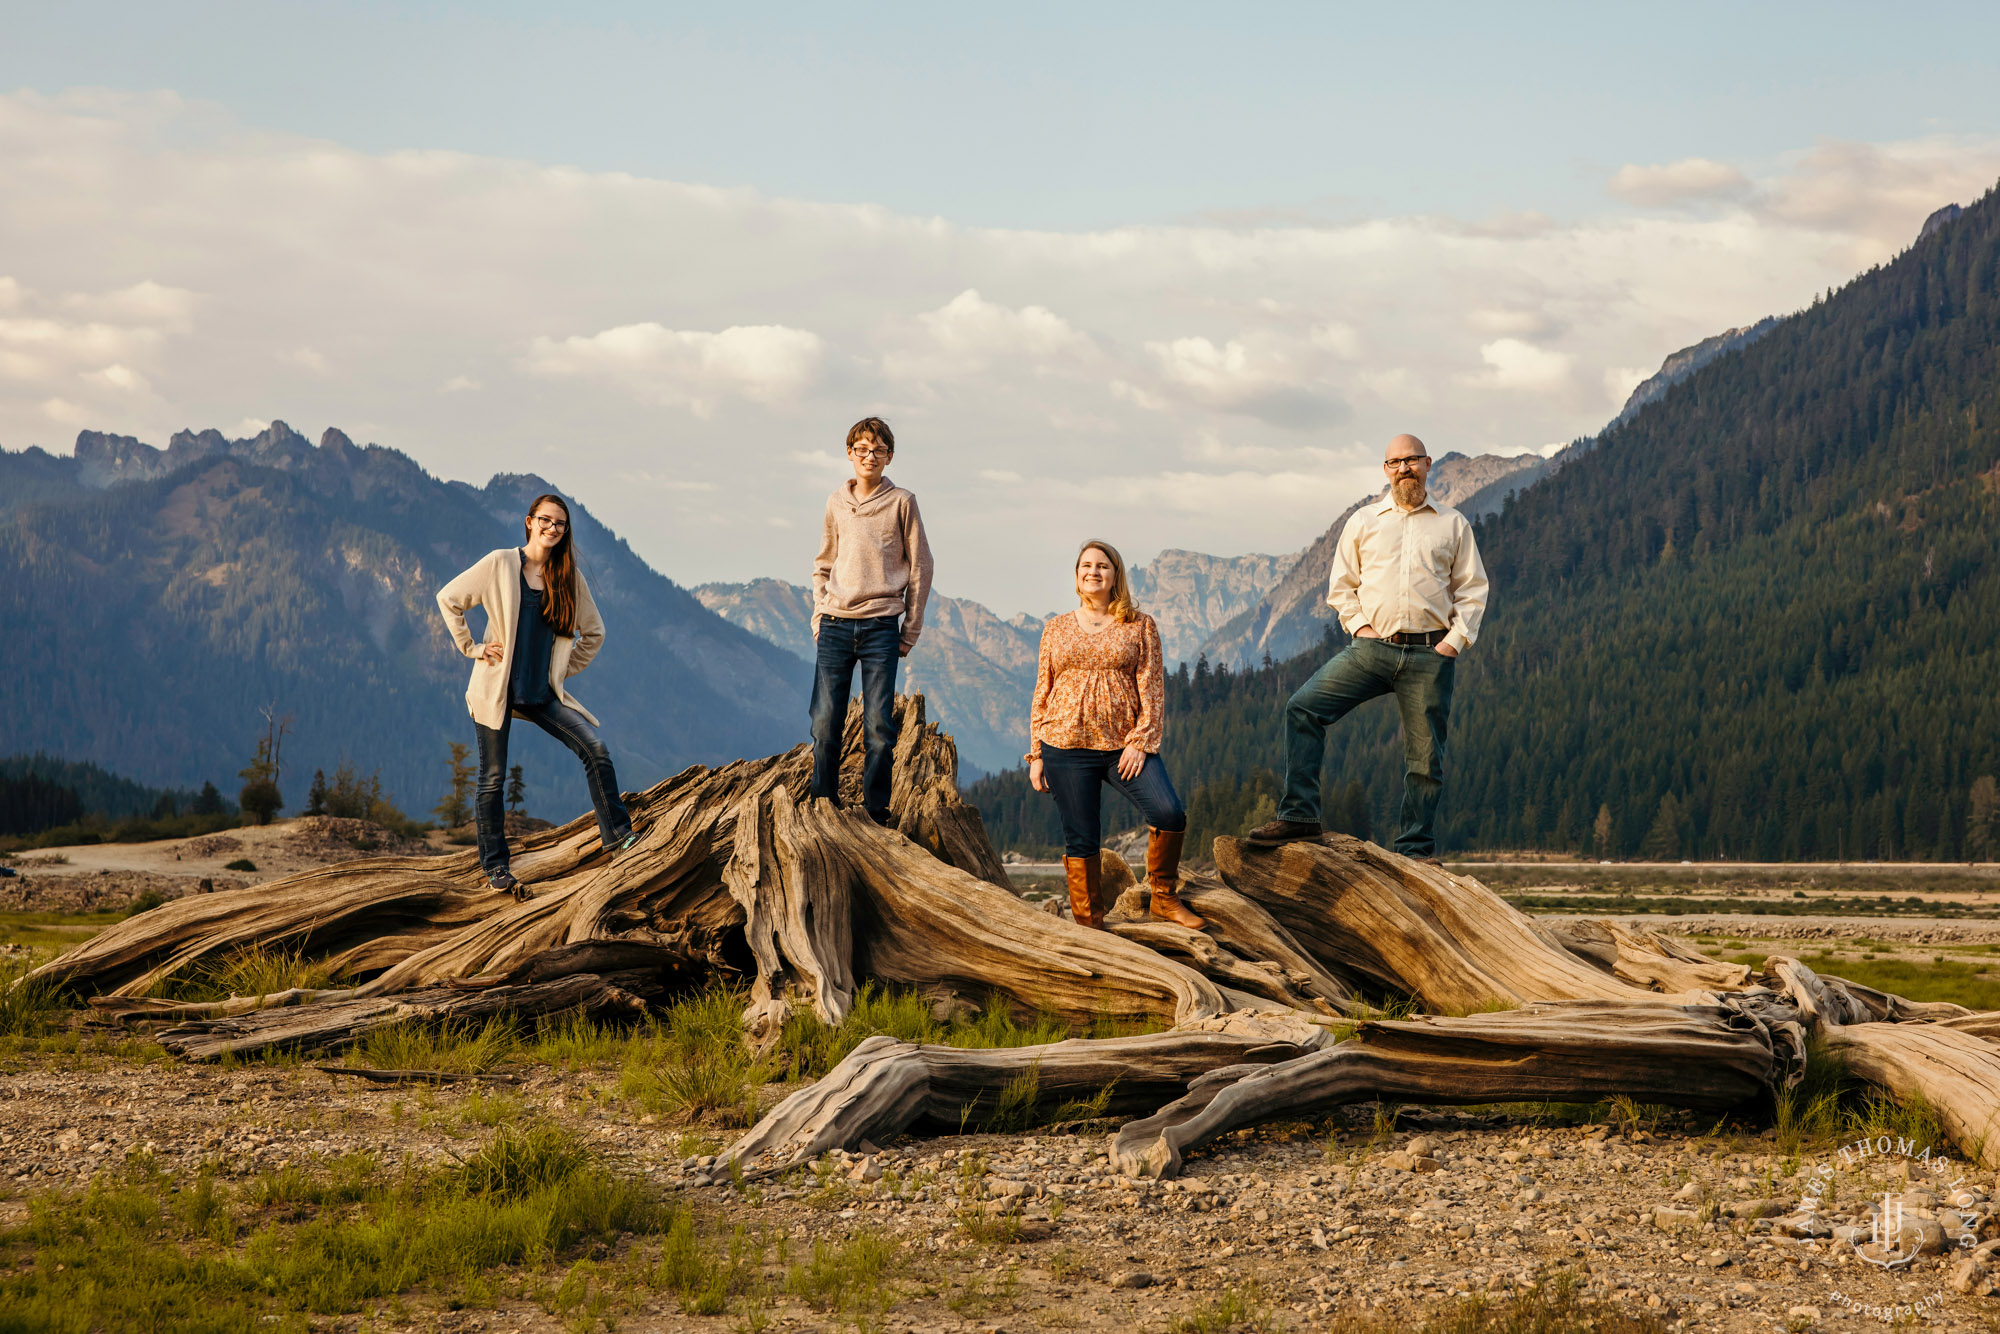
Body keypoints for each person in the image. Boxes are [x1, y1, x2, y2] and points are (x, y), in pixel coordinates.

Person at [1248, 434, 1489, 865]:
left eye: (1411, 460)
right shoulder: (1364, 521)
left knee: (1425, 759)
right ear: (1385, 470)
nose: (1404, 469)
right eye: (1394, 462)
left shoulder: (1453, 524)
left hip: (1430, 655)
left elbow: (1472, 589)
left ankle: (1415, 852)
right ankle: (1300, 815)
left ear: (1427, 464)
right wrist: (1360, 627)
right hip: (1372, 649)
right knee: (1303, 709)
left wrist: (1453, 643)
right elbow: (1341, 586)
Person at [437, 493, 638, 897]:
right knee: (492, 778)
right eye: (545, 520)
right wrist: (472, 647)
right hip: (495, 689)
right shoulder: (500, 563)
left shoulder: (567, 578)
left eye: (560, 524)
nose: (552, 528)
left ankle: (618, 837)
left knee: (595, 750)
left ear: (565, 532)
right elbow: (449, 599)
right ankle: (496, 868)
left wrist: (560, 672)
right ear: (529, 522)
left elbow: (594, 633)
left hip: (541, 693)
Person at [1027, 540, 1202, 931]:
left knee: (1169, 812)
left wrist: (1140, 741)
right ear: (1076, 576)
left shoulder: (1139, 625)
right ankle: (1091, 927)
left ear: (1115, 575)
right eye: (1086, 565)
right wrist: (1036, 753)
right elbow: (1043, 690)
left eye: (1102, 566)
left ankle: (1164, 899)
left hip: (1123, 746)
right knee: (1081, 839)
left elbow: (1152, 688)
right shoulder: (1055, 628)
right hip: (1064, 747)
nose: (1094, 571)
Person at [809, 417, 934, 824]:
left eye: (878, 450)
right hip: (835, 624)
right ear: (850, 453)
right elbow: (823, 563)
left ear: (889, 456)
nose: (869, 456)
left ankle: (876, 811)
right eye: (861, 449)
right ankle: (822, 805)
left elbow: (921, 567)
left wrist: (909, 630)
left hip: (882, 625)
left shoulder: (902, 502)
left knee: (879, 726)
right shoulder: (835, 502)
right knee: (825, 721)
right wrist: (818, 614)